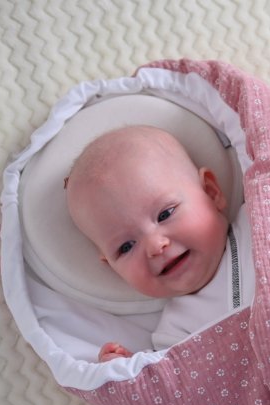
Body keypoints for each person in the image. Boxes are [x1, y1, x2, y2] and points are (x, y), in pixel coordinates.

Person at [65, 125, 243, 362]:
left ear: (211, 192)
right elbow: (175, 378)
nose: (154, 246)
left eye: (165, 214)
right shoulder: (177, 330)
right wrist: (129, 369)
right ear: (112, 267)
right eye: (126, 247)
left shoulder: (260, 221)